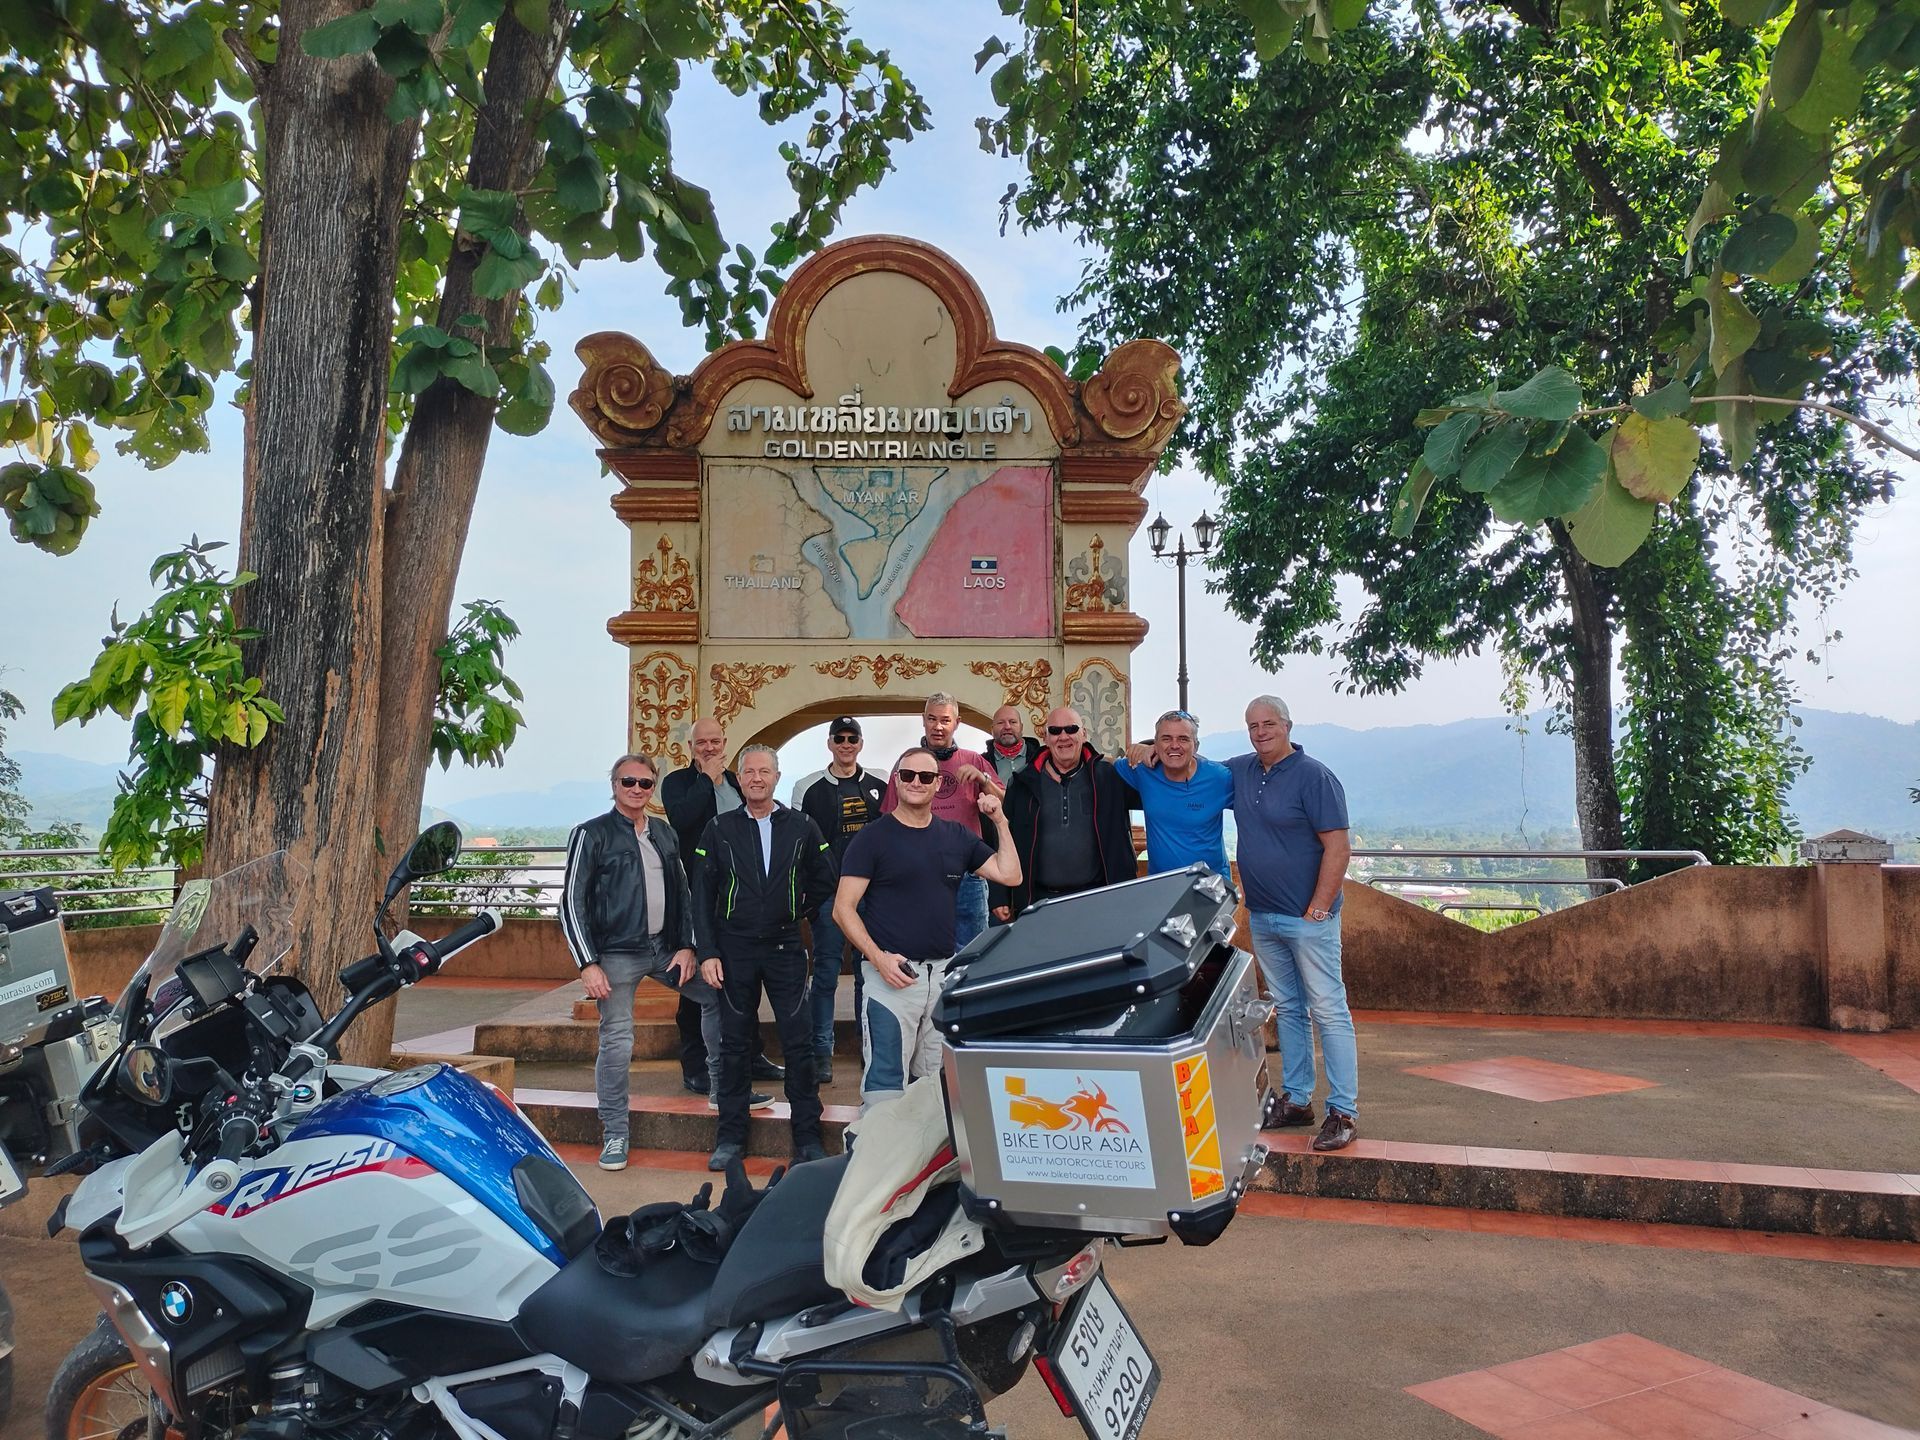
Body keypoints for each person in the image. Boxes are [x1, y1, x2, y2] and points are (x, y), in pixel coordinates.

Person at [560, 752, 727, 1173]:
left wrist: (689, 946)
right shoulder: (591, 834)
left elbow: (685, 895)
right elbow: (571, 902)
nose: (636, 789)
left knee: (717, 996)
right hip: (615, 953)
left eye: (644, 784)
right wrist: (587, 963)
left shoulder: (665, 834)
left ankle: (722, 1090)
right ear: (614, 785)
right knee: (618, 1040)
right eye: (627, 782)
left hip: (665, 948)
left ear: (653, 789)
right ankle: (615, 1130)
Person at [836, 745, 1021, 1109]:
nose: (916, 782)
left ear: (939, 784)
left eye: (925, 776)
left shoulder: (956, 836)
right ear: (896, 781)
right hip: (891, 979)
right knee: (885, 1085)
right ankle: (878, 1161)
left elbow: (1010, 875)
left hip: (939, 978)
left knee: (936, 1087)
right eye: (907, 775)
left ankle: (925, 1164)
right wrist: (878, 959)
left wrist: (1000, 821)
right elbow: (843, 909)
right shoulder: (873, 838)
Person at [694, 745, 840, 1170]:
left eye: (765, 771)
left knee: (798, 1042)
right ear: (739, 778)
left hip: (786, 948)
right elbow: (701, 896)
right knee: (734, 1045)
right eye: (749, 772)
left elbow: (825, 875)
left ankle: (808, 1137)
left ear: (777, 777)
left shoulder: (802, 826)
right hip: (733, 949)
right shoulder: (719, 829)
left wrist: (797, 909)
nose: (756, 778)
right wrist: (707, 952)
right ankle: (731, 1138)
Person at [1228, 695, 1358, 1153]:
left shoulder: (1314, 776)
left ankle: (1342, 1111)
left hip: (1309, 920)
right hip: (1263, 915)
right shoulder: (1242, 770)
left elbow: (1338, 848)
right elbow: (1188, 766)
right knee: (1288, 1008)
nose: (1261, 732)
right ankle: (1298, 1099)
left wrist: (1318, 909)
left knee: (1328, 1010)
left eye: (1269, 724)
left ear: (1287, 725)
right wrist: (1146, 749)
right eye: (1253, 726)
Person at [662, 717, 781, 1097]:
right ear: (692, 747)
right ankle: (695, 1065)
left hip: (739, 898)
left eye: (715, 742)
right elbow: (682, 820)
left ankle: (751, 1055)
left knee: (741, 981)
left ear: (725, 743)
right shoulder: (678, 783)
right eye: (702, 744)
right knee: (696, 982)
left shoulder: (736, 781)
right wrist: (706, 780)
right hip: (696, 894)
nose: (709, 749)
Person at [789, 716, 887, 1082]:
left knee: (869, 972)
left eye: (852, 738)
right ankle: (821, 1051)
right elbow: (798, 845)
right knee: (826, 973)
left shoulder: (879, 782)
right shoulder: (807, 787)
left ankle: (868, 1047)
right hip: (829, 895)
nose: (846, 745)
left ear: (861, 743)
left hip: (871, 895)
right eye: (839, 738)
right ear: (829, 743)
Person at [879, 692, 1003, 951]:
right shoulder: (906, 764)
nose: (938, 726)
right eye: (932, 719)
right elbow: (888, 820)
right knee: (922, 951)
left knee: (973, 954)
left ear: (957, 723)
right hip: (919, 873)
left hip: (969, 874)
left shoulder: (974, 760)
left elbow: (1007, 803)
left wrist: (984, 780)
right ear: (923, 721)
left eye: (945, 720)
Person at [994, 706, 1141, 917]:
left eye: (1071, 729)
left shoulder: (1109, 777)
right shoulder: (1022, 783)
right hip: (1039, 901)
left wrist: (1149, 748)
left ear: (1083, 734)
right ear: (1045, 737)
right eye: (1055, 731)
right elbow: (1004, 838)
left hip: (1099, 898)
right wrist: (1000, 893)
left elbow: (1159, 790)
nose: (1063, 737)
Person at [1112, 709, 1236, 879]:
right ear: (1156, 744)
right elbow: (1105, 762)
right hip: (1163, 885)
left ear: (1196, 745)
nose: (1174, 745)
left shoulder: (1219, 778)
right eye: (1166, 738)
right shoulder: (1144, 770)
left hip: (1211, 885)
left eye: (1183, 739)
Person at [985, 704, 1042, 788]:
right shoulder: (982, 763)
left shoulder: (1042, 757)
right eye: (1001, 723)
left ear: (1021, 727)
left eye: (1013, 722)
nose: (1007, 727)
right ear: (992, 729)